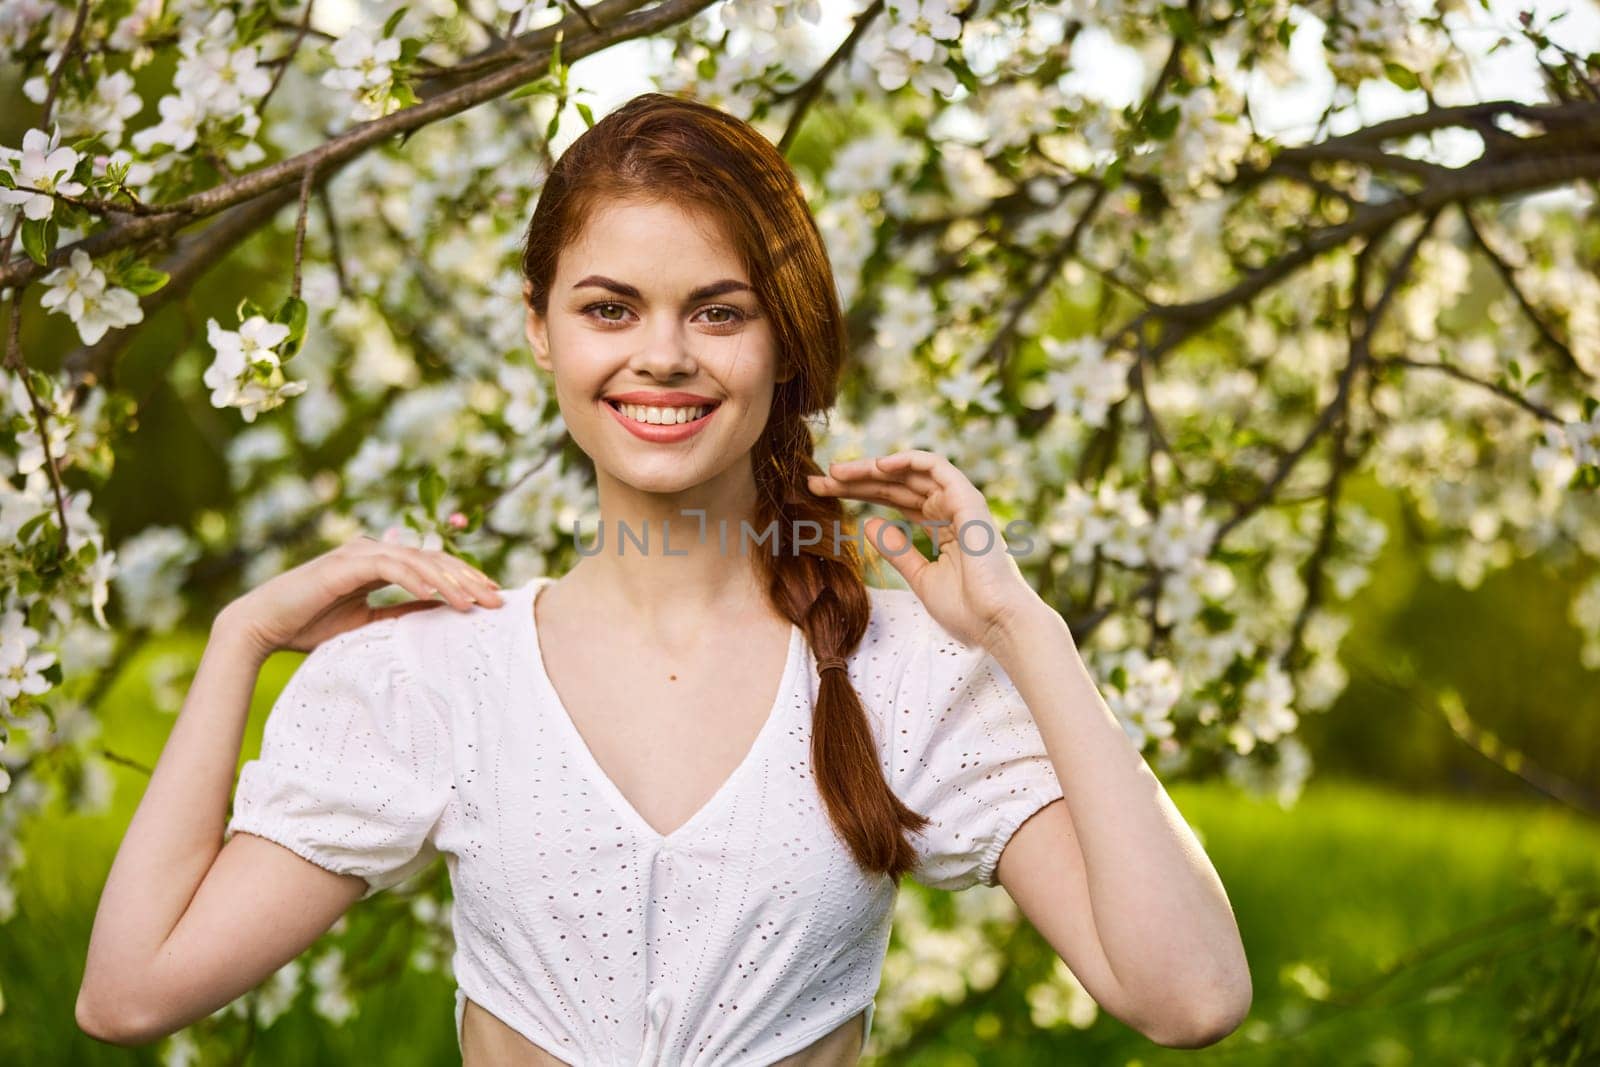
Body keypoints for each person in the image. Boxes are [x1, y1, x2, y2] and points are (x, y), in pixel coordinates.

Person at [77, 92, 1250, 1065]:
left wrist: (1021, 627)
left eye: (718, 311)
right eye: (609, 307)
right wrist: (237, 640)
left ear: (783, 341)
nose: (663, 355)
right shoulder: (439, 674)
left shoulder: (905, 675)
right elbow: (129, 995)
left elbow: (1189, 997)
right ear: (540, 326)